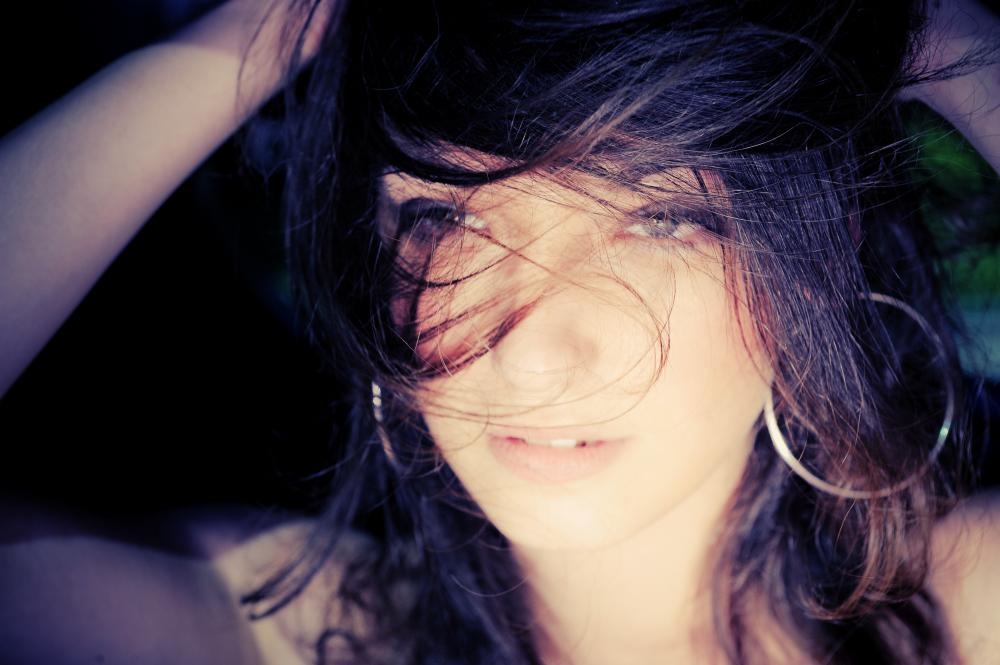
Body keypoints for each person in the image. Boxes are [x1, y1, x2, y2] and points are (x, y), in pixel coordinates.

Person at [0, 0, 999, 664]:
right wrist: (269, 28)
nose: (530, 354)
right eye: (446, 218)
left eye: (659, 220)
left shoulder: (967, 614)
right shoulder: (290, 631)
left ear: (823, 243)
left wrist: (949, 41)